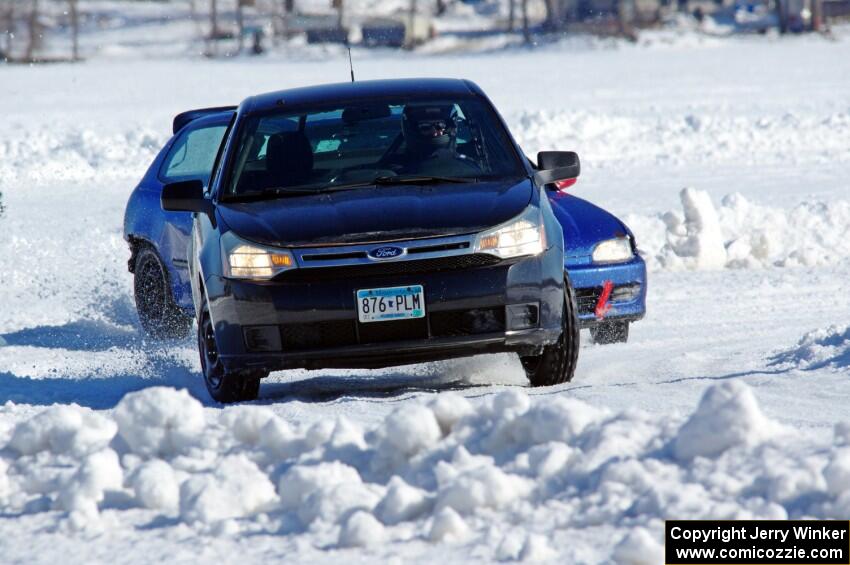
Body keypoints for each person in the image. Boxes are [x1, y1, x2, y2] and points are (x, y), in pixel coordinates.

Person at [394, 104, 481, 176]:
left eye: (440, 126)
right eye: (425, 127)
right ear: (412, 130)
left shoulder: (471, 163)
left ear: (449, 127)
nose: (435, 133)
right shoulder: (395, 170)